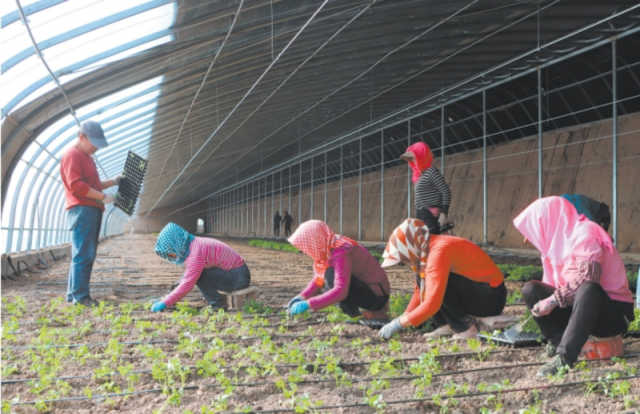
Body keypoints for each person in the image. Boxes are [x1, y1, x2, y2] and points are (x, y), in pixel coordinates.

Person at [513, 196, 634, 376]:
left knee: (587, 288)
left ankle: (565, 357)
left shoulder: (586, 233)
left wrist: (553, 301)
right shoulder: (552, 249)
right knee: (532, 290)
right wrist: (546, 301)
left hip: (612, 314)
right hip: (582, 310)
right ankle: (557, 341)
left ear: (549, 220)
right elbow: (552, 286)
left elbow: (589, 277)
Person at [378, 218, 506, 340]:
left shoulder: (439, 252)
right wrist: (404, 317)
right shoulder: (428, 251)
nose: (405, 262)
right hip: (481, 293)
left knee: (440, 283)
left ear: (412, 247)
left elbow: (432, 303)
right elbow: (420, 290)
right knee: (426, 280)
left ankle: (466, 329)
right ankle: (449, 325)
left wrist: (399, 324)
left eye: (404, 258)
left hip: (491, 298)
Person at [60, 120, 121, 306]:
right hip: (82, 209)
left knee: (84, 252)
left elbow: (93, 184)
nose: (96, 148)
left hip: (91, 209)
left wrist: (114, 181)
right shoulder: (73, 155)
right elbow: (76, 186)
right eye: (94, 143)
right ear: (82, 137)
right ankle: (80, 297)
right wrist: (102, 196)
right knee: (84, 254)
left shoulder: (87, 158)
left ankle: (74, 295)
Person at [286, 220, 390, 321]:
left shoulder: (341, 252)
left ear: (315, 241)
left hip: (377, 296)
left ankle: (367, 314)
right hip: (371, 291)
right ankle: (362, 313)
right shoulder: (328, 246)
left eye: (306, 247)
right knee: (328, 276)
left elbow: (340, 291)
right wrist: (301, 297)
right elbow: (318, 281)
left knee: (330, 276)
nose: (305, 251)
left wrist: (308, 304)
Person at [151, 222, 251, 311]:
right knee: (192, 274)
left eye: (171, 253)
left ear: (176, 244)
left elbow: (187, 284)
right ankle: (170, 298)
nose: (173, 256)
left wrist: (165, 303)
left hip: (238, 278)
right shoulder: (194, 244)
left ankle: (218, 304)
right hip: (237, 273)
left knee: (199, 276)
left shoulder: (195, 253)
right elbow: (187, 276)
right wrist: (168, 299)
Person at [400, 142, 451, 234]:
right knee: (424, 244)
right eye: (410, 159)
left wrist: (444, 214)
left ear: (421, 156)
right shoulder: (418, 175)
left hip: (432, 214)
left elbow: (445, 191)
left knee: (432, 243)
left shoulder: (431, 171)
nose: (412, 161)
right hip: (421, 214)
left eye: (414, 157)